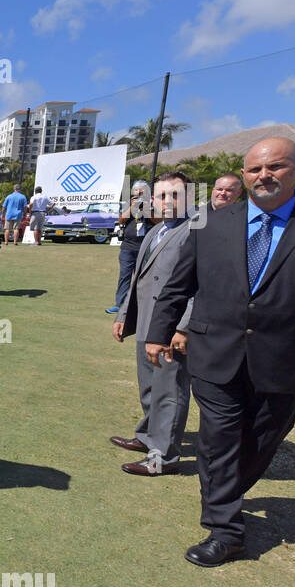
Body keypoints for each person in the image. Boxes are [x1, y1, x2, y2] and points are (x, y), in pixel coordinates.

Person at [147, 137, 295, 566]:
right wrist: (158, 332)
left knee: (262, 439)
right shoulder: (212, 223)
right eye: (255, 169)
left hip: (289, 359)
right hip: (214, 351)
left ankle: (223, 489)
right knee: (218, 436)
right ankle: (225, 528)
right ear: (243, 176)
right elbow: (178, 286)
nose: (264, 176)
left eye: (275, 167)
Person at [111, 172, 196, 477]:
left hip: (171, 329)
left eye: (175, 195)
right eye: (160, 196)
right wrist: (124, 315)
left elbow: (202, 287)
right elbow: (137, 280)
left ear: (189, 197)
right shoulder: (155, 230)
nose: (166, 202)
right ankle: (148, 437)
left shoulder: (196, 230)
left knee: (170, 391)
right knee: (149, 386)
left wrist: (183, 328)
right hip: (147, 322)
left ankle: (165, 456)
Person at [106, 181, 150, 314]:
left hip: (145, 246)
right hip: (128, 246)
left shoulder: (153, 204)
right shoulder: (128, 204)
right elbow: (121, 220)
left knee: (143, 277)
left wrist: (146, 209)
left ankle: (140, 305)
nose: (139, 193)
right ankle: (120, 304)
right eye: (137, 190)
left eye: (142, 191)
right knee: (124, 276)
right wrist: (132, 207)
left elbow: (158, 220)